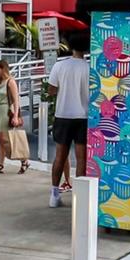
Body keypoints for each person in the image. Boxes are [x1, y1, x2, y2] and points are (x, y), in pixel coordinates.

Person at [44, 36, 89, 208]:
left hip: (63, 115)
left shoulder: (59, 65)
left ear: (70, 47)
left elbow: (51, 90)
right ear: (86, 49)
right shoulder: (89, 68)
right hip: (83, 117)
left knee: (60, 156)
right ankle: (79, 197)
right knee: (81, 158)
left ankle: (54, 194)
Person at [0, 57, 27, 175]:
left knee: (7, 139)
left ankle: (23, 159)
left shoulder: (10, 81)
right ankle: (0, 164)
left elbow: (16, 100)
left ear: (3, 69)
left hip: (6, 111)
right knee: (0, 139)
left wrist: (15, 116)